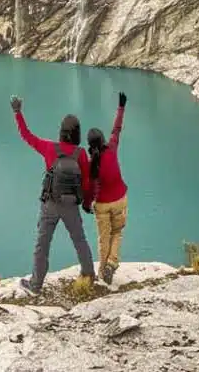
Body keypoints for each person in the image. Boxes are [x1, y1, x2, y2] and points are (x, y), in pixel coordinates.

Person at [10, 95, 96, 295]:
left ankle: (36, 285)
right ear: (77, 133)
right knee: (80, 240)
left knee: (42, 243)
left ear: (61, 132)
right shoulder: (81, 154)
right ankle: (89, 275)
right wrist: (86, 202)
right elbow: (87, 182)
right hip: (71, 205)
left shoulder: (49, 148)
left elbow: (27, 136)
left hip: (50, 203)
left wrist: (17, 112)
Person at [87, 92, 129, 284]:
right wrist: (121, 107)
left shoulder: (90, 164)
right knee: (117, 232)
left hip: (102, 205)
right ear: (103, 139)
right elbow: (117, 128)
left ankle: (103, 272)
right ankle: (112, 264)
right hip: (120, 198)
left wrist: (87, 204)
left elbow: (89, 188)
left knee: (104, 238)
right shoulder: (111, 147)